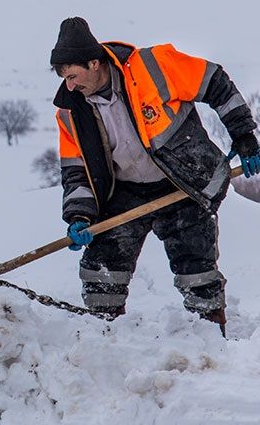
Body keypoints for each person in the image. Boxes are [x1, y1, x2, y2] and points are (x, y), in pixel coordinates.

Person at [49, 17, 259, 334]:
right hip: (125, 193)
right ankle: (104, 339)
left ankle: (211, 339)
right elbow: (76, 171)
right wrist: (79, 215)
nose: (70, 86)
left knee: (197, 269)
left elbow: (216, 83)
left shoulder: (154, 66)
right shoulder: (70, 112)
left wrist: (244, 137)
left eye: (73, 76)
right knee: (101, 269)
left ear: (94, 63)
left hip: (181, 183)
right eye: (65, 78)